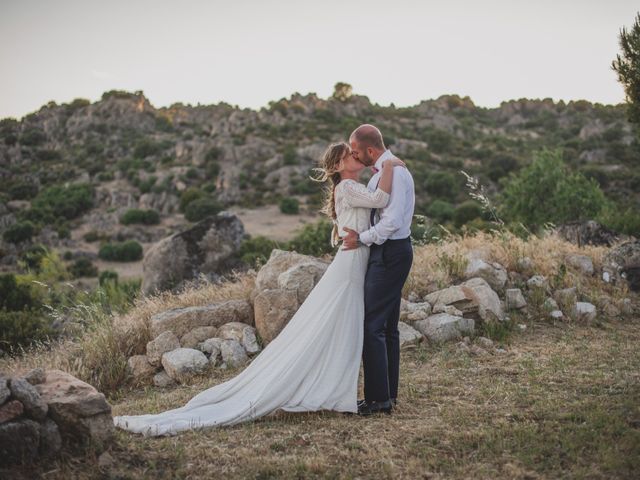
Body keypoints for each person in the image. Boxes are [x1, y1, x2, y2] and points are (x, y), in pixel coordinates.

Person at [112, 141, 405, 436]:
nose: (354, 156)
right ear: (337, 166)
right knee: (332, 325)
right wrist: (390, 164)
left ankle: (335, 389)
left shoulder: (353, 185)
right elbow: (380, 200)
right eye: (348, 155)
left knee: (340, 326)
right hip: (352, 264)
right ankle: (329, 389)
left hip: (356, 259)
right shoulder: (347, 187)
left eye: (354, 153)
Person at [342, 124, 415, 416]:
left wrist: (362, 238)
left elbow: (392, 221)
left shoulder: (395, 172)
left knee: (372, 325)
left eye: (357, 152)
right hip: (389, 252)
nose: (355, 157)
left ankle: (378, 400)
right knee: (386, 327)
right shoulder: (385, 171)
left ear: (370, 150)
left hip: (389, 252)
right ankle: (387, 394)